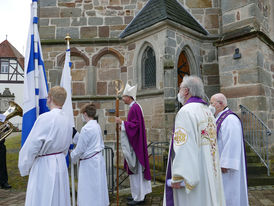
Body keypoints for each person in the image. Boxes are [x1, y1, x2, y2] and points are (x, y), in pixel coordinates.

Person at [163, 75, 225, 206]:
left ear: (186, 91)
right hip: (208, 171)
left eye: (180, 89)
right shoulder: (207, 111)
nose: (178, 92)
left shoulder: (186, 112)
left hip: (192, 179)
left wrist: (179, 177)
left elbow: (184, 147)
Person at [18, 86, 72, 206]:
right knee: (59, 198)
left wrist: (24, 165)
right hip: (60, 162)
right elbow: (68, 143)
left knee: (43, 197)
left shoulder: (45, 118)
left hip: (45, 165)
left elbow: (32, 145)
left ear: (50, 98)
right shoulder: (67, 119)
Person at [115, 82, 152, 205]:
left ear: (129, 97)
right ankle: (137, 195)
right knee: (136, 172)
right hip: (135, 143)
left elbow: (135, 126)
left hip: (135, 147)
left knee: (136, 171)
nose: (122, 98)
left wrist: (122, 123)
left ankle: (139, 197)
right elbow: (135, 126)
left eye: (124, 96)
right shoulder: (134, 107)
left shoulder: (134, 108)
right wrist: (124, 126)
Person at [210, 93, 249, 206]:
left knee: (230, 193)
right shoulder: (220, 118)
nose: (210, 106)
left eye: (212, 103)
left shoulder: (230, 119)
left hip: (227, 167)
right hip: (220, 164)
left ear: (220, 104)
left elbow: (233, 141)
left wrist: (226, 163)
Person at [70, 103, 109, 206]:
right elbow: (86, 142)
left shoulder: (86, 129)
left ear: (85, 114)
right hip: (97, 160)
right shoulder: (96, 126)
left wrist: (72, 155)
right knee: (97, 188)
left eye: (82, 114)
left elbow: (80, 149)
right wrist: (75, 135)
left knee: (88, 190)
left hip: (89, 165)